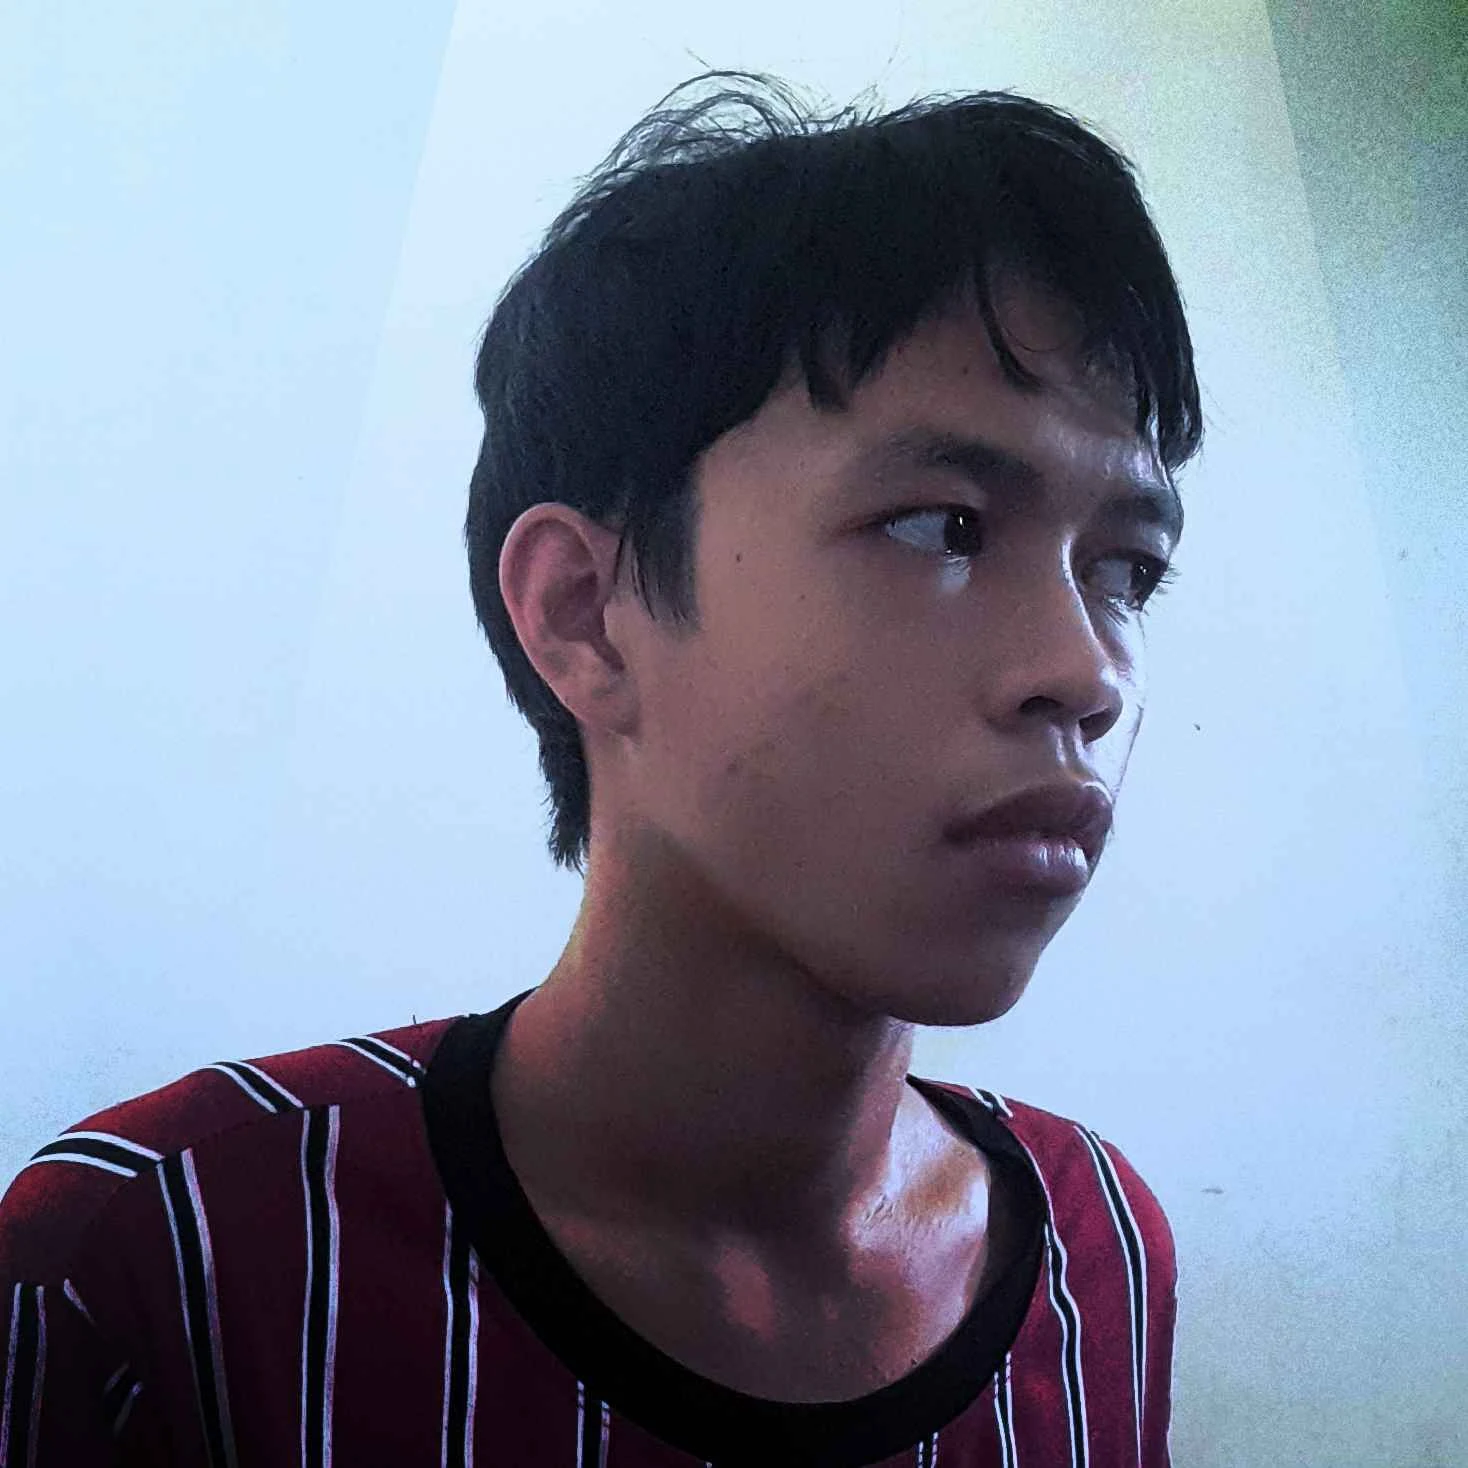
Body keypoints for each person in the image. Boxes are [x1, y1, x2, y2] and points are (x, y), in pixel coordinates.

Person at [0, 70, 1202, 1467]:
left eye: (1128, 569)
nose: (1086, 672)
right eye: (942, 527)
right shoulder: (171, 1257)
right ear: (583, 615)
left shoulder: (1098, 1249)